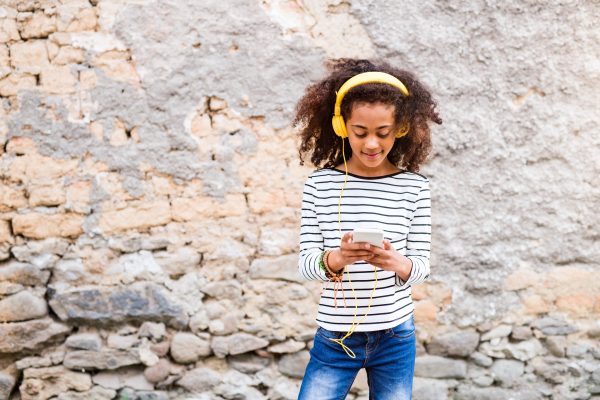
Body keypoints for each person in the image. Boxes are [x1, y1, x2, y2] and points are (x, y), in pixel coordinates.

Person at [294, 58, 442, 400]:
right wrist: (336, 258)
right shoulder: (320, 184)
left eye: (383, 133)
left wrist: (397, 263)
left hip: (396, 337)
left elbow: (421, 265)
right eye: (360, 132)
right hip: (335, 337)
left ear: (401, 129)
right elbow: (305, 264)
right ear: (342, 126)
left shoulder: (414, 188)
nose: (372, 144)